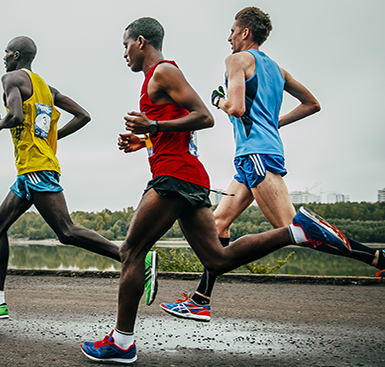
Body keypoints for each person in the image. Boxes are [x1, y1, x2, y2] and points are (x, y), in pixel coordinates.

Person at [80, 17, 353, 364]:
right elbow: (179, 129)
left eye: (125, 45)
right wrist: (144, 139)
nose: (124, 54)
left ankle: (121, 343)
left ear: (141, 42)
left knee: (131, 253)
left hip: (174, 177)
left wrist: (154, 124)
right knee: (217, 259)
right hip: (189, 177)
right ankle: (295, 231)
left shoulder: (163, 71)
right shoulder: (157, 78)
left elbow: (204, 116)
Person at [161, 6, 385, 323]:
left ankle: (377, 257)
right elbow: (312, 104)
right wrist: (273, 123)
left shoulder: (236, 60)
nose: (228, 37)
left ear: (245, 33)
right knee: (218, 224)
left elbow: (236, 108)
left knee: (294, 229)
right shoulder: (277, 69)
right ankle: (200, 300)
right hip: (256, 155)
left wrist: (218, 100)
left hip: (256, 155)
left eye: (232, 30)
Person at [0, 36, 158, 320]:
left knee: (67, 232)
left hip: (36, 168)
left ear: (17, 55)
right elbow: (83, 115)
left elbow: (17, 116)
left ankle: (132, 257)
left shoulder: (10, 78)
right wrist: (50, 137)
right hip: (29, 170)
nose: (4, 57)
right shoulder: (47, 89)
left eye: (6, 52)